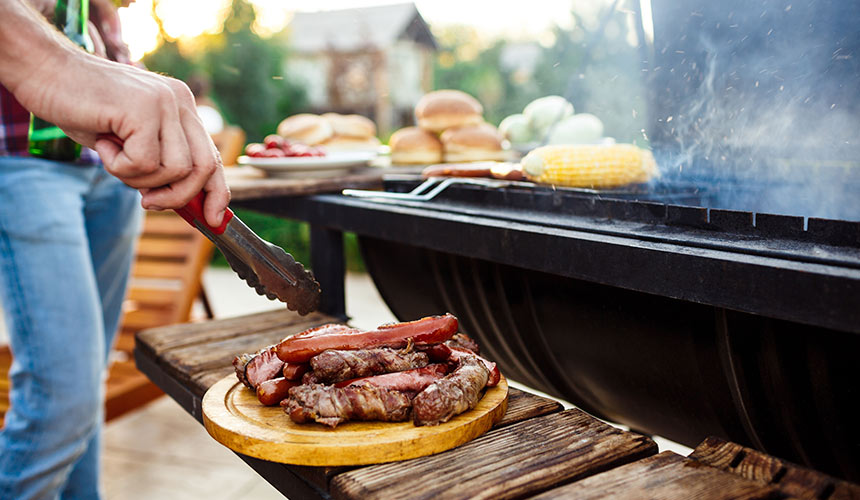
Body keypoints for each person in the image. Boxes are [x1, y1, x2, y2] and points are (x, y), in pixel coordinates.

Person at [0, 0, 230, 498]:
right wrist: (49, 59)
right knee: (63, 397)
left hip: (105, 156)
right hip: (21, 148)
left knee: (89, 378)